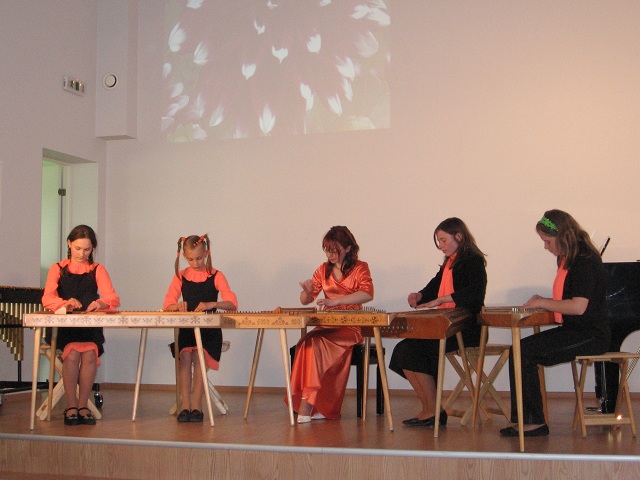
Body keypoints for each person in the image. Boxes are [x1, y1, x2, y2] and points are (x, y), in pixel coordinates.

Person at [500, 209, 611, 438]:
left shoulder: (584, 261)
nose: (546, 247)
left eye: (547, 242)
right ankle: (524, 418)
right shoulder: (569, 259)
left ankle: (533, 422)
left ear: (562, 237)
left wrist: (544, 302)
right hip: (577, 330)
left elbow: (578, 306)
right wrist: (544, 302)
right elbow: (568, 301)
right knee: (519, 350)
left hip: (591, 335)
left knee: (523, 352)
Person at [389, 217, 487, 427]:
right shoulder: (450, 262)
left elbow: (474, 294)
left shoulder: (473, 260)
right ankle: (431, 409)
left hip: (465, 329)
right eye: (439, 241)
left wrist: (443, 299)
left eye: (443, 240)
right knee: (404, 350)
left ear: (458, 236)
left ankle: (432, 411)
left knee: (410, 351)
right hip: (448, 327)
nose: (440, 246)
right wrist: (419, 295)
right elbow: (434, 286)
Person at [289, 226, 374, 424]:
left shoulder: (360, 267)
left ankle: (308, 405)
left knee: (317, 344)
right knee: (306, 343)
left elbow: (367, 293)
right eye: (327, 250)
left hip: (351, 327)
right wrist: (307, 291)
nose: (330, 255)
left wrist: (335, 301)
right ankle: (318, 404)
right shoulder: (323, 269)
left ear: (348, 247)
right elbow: (306, 300)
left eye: (334, 250)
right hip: (328, 325)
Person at [42, 225, 120, 426]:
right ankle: (71, 405)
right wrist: (64, 304)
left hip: (89, 325)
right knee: (73, 353)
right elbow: (47, 298)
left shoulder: (97, 269)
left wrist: (100, 303)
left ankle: (83, 405)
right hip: (64, 327)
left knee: (90, 354)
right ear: (69, 244)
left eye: (87, 250)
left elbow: (112, 298)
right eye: (77, 248)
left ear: (92, 248)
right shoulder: (57, 268)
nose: (81, 254)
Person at [163, 234, 237, 423]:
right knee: (185, 358)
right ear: (184, 257)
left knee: (198, 357)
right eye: (190, 259)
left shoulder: (216, 275)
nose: (195, 263)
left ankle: (197, 404)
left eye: (199, 258)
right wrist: (177, 306)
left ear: (206, 253)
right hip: (187, 330)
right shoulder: (181, 276)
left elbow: (232, 304)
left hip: (209, 332)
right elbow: (167, 304)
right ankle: (185, 404)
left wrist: (213, 304)